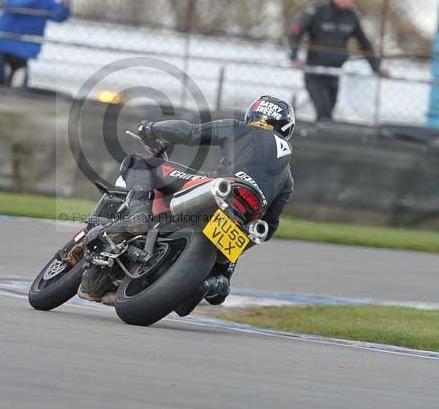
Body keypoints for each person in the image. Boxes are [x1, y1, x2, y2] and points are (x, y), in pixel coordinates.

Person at [81, 95, 296, 311]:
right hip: (247, 214)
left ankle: (138, 218)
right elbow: (270, 226)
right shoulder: (287, 178)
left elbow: (190, 132)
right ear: (286, 128)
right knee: (221, 285)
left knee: (139, 163)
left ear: (254, 114)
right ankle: (210, 282)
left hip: (220, 186)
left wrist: (152, 128)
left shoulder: (239, 128)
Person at [288, 0, 389, 121]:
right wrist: (294, 58)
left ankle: (321, 138)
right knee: (324, 114)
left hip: (335, 73)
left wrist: (377, 67)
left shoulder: (351, 16)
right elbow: (295, 34)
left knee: (328, 113)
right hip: (315, 73)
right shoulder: (317, 11)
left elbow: (364, 44)